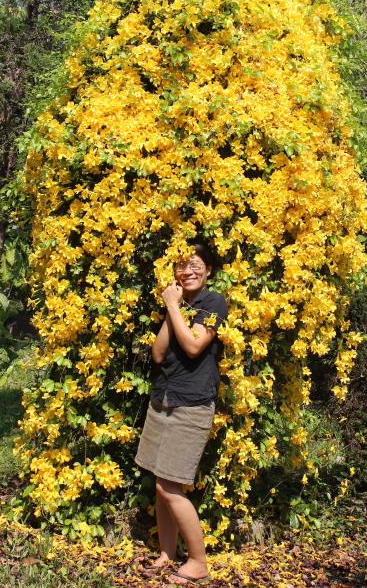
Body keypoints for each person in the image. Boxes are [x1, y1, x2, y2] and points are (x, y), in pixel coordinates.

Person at [134, 242, 228, 585]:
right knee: (160, 483)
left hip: (191, 404)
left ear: (209, 270)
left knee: (171, 484)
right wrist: (173, 309)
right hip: (164, 399)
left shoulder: (214, 303)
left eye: (194, 265)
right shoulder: (181, 305)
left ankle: (199, 561)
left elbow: (192, 345)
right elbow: (159, 354)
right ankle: (166, 553)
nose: (186, 271)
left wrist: (175, 306)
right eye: (181, 266)